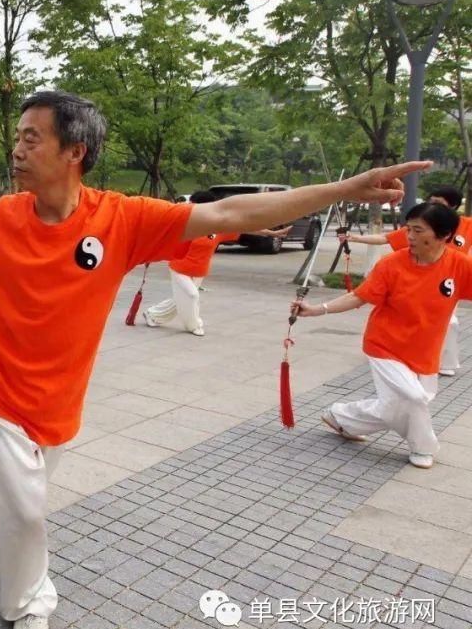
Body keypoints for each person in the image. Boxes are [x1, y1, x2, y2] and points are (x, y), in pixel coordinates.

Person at [0, 90, 426, 629]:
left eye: (32, 139)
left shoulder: (121, 218)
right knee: (25, 510)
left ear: (74, 152)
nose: (17, 149)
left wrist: (343, 187)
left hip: (60, 398)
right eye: (17, 138)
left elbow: (228, 210)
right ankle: (29, 600)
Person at [293, 202, 472, 470]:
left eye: (417, 230)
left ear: (444, 235)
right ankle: (424, 447)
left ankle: (341, 417)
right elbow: (358, 297)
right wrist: (317, 310)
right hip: (386, 345)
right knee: (413, 398)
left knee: (395, 407)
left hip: (425, 351)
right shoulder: (392, 264)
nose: (409, 236)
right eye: (408, 229)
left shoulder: (459, 266)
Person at [340, 186, 472, 376]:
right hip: (422, 283)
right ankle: (399, 357)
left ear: (452, 206)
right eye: (431, 201)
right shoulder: (419, 230)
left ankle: (446, 363)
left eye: (438, 203)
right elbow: (385, 238)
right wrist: (356, 238)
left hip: (451, 282)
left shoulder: (466, 227)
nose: (432, 206)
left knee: (450, 323)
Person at [142, 190, 290, 336]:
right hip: (179, 268)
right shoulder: (185, 224)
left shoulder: (218, 228)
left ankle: (152, 314)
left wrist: (272, 233)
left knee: (181, 299)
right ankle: (194, 325)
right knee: (192, 296)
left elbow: (245, 227)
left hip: (199, 271)